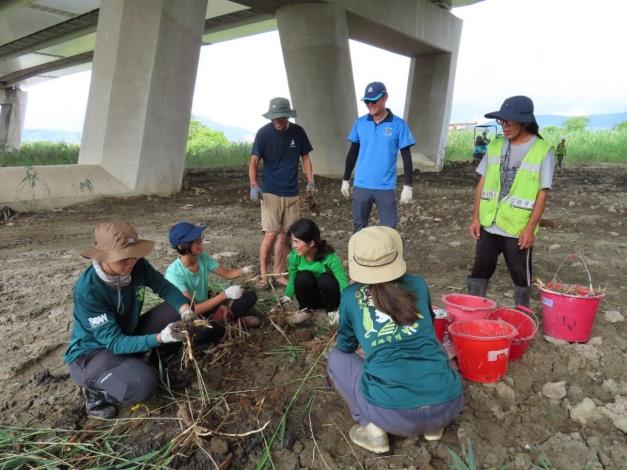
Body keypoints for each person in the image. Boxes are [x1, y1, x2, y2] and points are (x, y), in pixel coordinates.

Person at [327, 226, 463, 453]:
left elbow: (346, 346)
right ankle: (433, 428)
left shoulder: (351, 297)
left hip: (393, 414)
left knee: (336, 358)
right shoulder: (418, 284)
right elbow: (428, 327)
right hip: (447, 405)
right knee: (434, 349)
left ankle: (372, 428)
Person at [64, 221, 219, 419]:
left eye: (134, 257)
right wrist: (160, 338)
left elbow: (163, 286)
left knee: (175, 313)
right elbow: (114, 342)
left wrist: (183, 308)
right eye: (123, 260)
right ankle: (95, 392)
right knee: (142, 383)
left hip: (128, 332)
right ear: (103, 257)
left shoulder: (135, 266)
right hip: (94, 353)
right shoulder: (89, 291)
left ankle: (153, 363)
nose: (131, 263)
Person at [467, 96, 555, 306]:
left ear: (523, 122)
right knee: (480, 270)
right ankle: (472, 311)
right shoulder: (496, 145)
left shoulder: (543, 150)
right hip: (490, 223)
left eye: (509, 121)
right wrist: (475, 217)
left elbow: (543, 193)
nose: (504, 126)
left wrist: (530, 228)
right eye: (502, 121)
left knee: (520, 275)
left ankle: (522, 312)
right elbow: (482, 182)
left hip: (517, 228)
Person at [249, 97, 315, 288]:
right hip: (270, 192)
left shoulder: (298, 132)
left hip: (292, 193)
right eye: (274, 118)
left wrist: (310, 180)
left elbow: (306, 158)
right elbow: (254, 161)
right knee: (270, 234)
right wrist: (254, 185)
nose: (278, 121)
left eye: (281, 117)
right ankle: (263, 274)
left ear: (287, 116)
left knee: (286, 236)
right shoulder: (263, 134)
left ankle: (277, 272)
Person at [341, 81, 416, 232]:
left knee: (389, 230)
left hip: (385, 187)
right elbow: (352, 152)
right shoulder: (360, 123)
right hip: (361, 185)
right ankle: (359, 256)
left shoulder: (398, 124)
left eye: (373, 100)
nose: (370, 105)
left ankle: (388, 256)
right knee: (359, 228)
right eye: (367, 101)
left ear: (385, 98)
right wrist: (345, 179)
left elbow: (407, 157)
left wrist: (408, 185)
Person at [165, 221, 260, 328]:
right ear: (181, 246)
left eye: (199, 237)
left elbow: (227, 274)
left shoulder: (202, 257)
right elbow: (193, 309)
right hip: (192, 316)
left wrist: (244, 270)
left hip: (207, 304)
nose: (200, 241)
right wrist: (224, 295)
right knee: (204, 332)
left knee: (250, 296)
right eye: (195, 240)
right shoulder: (173, 274)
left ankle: (224, 320)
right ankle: (235, 324)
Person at [279, 218, 349, 325]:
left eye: (297, 241)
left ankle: (332, 313)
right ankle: (305, 310)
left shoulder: (329, 256)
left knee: (326, 278)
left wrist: (346, 306)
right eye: (293, 241)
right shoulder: (295, 255)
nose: (294, 246)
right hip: (312, 299)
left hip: (329, 298)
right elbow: (292, 279)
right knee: (302, 276)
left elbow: (342, 282)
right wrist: (287, 296)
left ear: (311, 243)